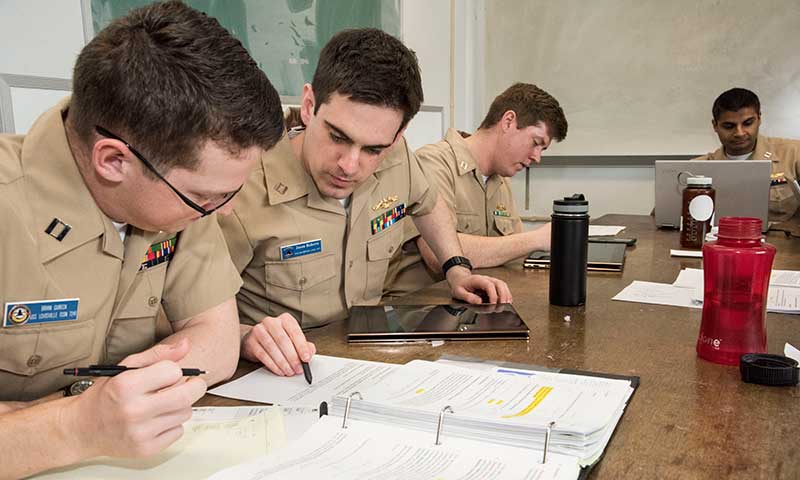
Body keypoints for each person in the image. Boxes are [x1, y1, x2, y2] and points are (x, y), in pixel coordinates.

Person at [0, 2, 284, 477]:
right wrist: (76, 426)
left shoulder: (180, 202)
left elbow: (215, 341)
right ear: (113, 160)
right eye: (206, 197)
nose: (226, 210)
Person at [219, 28, 512, 378]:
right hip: (275, 377)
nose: (350, 165)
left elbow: (427, 203)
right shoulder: (240, 188)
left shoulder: (397, 155)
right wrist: (245, 337)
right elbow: (179, 314)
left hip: (367, 360)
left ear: (397, 136)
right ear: (310, 106)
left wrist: (457, 268)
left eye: (373, 149)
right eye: (338, 137)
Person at [384, 83, 568, 297]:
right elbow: (437, 255)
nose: (537, 157)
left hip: (476, 305)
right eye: (536, 143)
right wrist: (537, 239)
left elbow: (513, 255)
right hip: (419, 308)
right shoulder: (433, 163)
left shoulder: (500, 181)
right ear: (508, 121)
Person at [695, 87, 800, 222]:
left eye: (747, 123)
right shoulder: (697, 169)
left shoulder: (793, 153)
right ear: (715, 126)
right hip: (720, 239)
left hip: (781, 239)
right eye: (729, 126)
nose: (739, 133)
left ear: (759, 119)